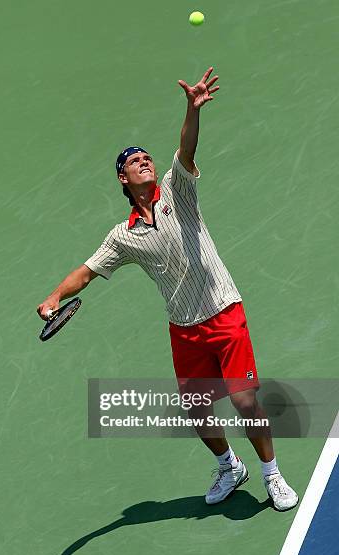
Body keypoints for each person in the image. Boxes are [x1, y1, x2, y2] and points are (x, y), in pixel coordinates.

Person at [37, 67, 298, 511]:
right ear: (122, 178)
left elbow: (187, 148)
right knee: (197, 410)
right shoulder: (123, 235)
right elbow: (87, 268)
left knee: (243, 399)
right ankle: (229, 466)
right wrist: (55, 296)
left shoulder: (178, 190)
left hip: (223, 310)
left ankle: (272, 475)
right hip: (184, 328)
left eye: (147, 157)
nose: (145, 161)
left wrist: (191, 109)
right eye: (133, 160)